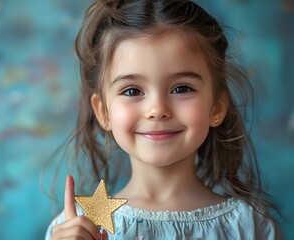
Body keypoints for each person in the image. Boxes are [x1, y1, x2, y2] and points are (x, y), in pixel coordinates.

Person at [45, 0, 280, 239]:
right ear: (104, 111)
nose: (157, 110)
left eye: (181, 89)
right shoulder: (76, 229)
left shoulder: (250, 226)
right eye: (132, 91)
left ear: (217, 107)